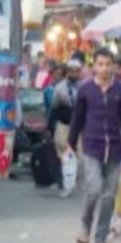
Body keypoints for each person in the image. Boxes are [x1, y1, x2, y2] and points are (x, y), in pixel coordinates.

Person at [68, 48, 121, 243]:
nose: (105, 68)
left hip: (116, 149)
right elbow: (77, 119)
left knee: (109, 196)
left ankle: (101, 238)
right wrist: (70, 145)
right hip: (91, 146)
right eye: (101, 64)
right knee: (94, 189)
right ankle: (84, 229)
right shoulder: (85, 89)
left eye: (108, 64)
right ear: (94, 66)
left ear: (114, 66)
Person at [50, 58, 84, 197]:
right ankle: (66, 185)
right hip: (64, 124)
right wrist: (50, 126)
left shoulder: (85, 87)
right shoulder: (60, 88)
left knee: (82, 156)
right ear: (67, 72)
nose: (74, 74)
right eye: (71, 71)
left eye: (77, 71)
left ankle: (80, 184)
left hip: (81, 126)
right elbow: (54, 107)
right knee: (64, 154)